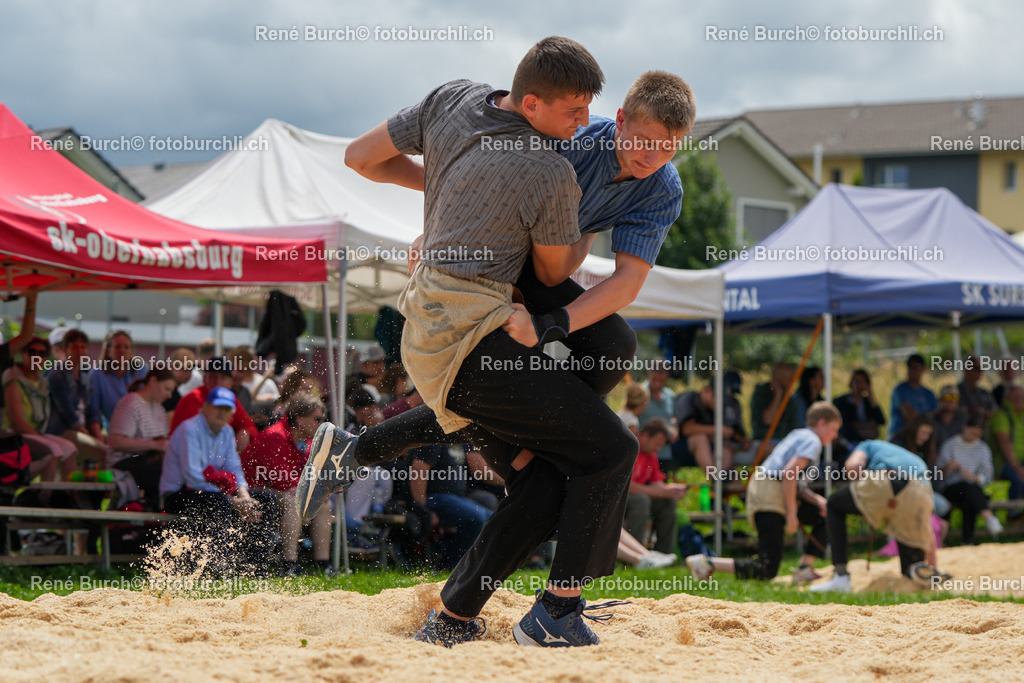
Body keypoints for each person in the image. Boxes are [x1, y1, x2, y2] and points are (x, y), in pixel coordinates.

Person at [303, 40, 695, 648]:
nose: (652, 156)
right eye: (643, 140)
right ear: (618, 120)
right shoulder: (562, 145)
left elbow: (622, 283)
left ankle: (454, 614)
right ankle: (556, 608)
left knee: (612, 346)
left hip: (524, 281)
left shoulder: (656, 184)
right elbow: (545, 256)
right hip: (498, 283)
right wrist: (446, 214)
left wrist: (550, 324)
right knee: (601, 448)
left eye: (668, 148)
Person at [686, 402, 840, 586]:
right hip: (769, 495)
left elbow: (793, 481)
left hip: (767, 489)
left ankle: (805, 568)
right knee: (767, 568)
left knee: (824, 515)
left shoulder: (799, 434)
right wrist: (792, 514)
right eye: (834, 429)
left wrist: (817, 500)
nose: (835, 435)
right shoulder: (812, 441)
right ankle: (706, 563)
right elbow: (789, 474)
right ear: (821, 423)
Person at [160, 387, 278, 575]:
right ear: (206, 407)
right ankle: (216, 566)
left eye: (226, 409)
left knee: (264, 499)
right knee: (219, 501)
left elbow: (235, 469)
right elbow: (193, 478)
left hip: (211, 493)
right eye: (218, 408)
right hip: (178, 494)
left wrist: (245, 498)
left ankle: (254, 567)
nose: (222, 413)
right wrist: (234, 502)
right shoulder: (188, 430)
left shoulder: (226, 432)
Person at [810, 440, 946, 592]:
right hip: (918, 495)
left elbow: (853, 466)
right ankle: (922, 575)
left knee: (834, 504)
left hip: (886, 480)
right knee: (912, 565)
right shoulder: (917, 462)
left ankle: (840, 577)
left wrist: (864, 501)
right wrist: (934, 567)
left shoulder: (867, 445)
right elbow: (927, 526)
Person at [241, 393, 330, 575]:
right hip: (252, 491)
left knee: (323, 505)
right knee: (294, 499)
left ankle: (323, 565)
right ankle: (289, 563)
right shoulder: (274, 436)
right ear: (300, 419)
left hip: (278, 490)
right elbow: (282, 480)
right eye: (318, 419)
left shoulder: (307, 442)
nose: (321, 424)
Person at [2, 337, 77, 480]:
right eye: (32, 352)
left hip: (34, 434)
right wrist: (41, 438)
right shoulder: (12, 378)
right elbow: (16, 422)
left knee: (70, 448)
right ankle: (43, 492)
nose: (37, 357)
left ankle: (67, 493)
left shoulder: (43, 382)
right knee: (53, 450)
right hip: (11, 437)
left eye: (42, 354)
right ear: (22, 354)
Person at [107, 369, 176, 507]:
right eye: (166, 389)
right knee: (163, 473)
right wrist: (155, 445)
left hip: (148, 462)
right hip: (123, 463)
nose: (169, 395)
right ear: (153, 381)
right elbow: (116, 442)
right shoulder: (130, 403)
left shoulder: (159, 409)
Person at [170, 356, 258, 455]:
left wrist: (245, 432)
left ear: (230, 382)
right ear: (204, 379)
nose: (217, 382)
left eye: (223, 378)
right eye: (212, 377)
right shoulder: (194, 399)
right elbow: (199, 440)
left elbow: (250, 427)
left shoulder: (230, 398)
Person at [624, 419, 687, 554]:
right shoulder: (630, 449)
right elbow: (629, 487)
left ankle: (665, 554)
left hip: (639, 496)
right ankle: (635, 553)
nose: (658, 449)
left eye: (660, 446)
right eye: (656, 444)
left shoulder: (651, 454)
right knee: (642, 500)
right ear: (645, 435)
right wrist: (662, 491)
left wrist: (670, 489)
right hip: (620, 498)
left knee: (668, 502)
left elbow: (656, 481)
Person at [44, 328, 107, 463]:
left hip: (82, 429)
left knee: (113, 447)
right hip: (61, 431)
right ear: (65, 350)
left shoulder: (86, 375)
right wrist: (88, 435)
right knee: (104, 452)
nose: (79, 351)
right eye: (75, 347)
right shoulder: (57, 375)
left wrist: (98, 435)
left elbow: (92, 411)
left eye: (83, 347)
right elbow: (68, 413)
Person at [937, 417, 1002, 544]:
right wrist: (948, 466)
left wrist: (974, 477)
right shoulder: (950, 445)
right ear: (964, 427)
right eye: (972, 433)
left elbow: (987, 476)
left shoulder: (983, 448)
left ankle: (966, 542)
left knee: (968, 497)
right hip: (951, 488)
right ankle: (988, 517)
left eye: (977, 435)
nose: (973, 437)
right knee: (967, 489)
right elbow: (937, 474)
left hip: (971, 489)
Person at [675, 382, 736, 477]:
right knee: (700, 438)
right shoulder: (689, 399)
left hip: (704, 451)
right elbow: (687, 429)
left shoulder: (714, 408)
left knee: (727, 448)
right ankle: (714, 477)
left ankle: (725, 480)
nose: (720, 403)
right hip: (677, 447)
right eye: (717, 398)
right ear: (707, 391)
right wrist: (717, 430)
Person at [91, 330, 148, 427]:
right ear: (108, 351)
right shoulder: (97, 375)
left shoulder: (143, 372)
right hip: (113, 430)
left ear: (132, 351)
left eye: (126, 347)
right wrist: (98, 435)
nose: (122, 350)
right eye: (117, 347)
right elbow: (93, 412)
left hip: (143, 428)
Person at [990, 385, 1024, 517]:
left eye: (1021, 397)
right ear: (1007, 399)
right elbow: (1004, 442)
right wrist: (1017, 467)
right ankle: (1013, 514)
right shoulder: (1001, 415)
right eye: (1014, 397)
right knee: (1018, 480)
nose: (1018, 400)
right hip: (1004, 463)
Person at [750, 362, 798, 448]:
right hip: (764, 440)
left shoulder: (789, 399)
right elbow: (768, 420)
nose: (792, 383)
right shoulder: (761, 394)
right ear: (779, 380)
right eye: (789, 379)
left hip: (785, 441)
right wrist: (778, 395)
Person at [888, 353, 937, 438]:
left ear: (923, 369)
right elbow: (909, 414)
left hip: (920, 439)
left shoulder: (929, 394)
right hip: (899, 436)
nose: (913, 371)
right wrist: (926, 416)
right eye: (910, 367)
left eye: (916, 368)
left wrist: (918, 418)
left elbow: (935, 417)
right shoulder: (900, 390)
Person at [833, 369, 886, 447]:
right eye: (857, 381)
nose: (859, 385)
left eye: (862, 382)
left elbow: (881, 421)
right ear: (851, 382)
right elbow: (843, 425)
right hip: (849, 441)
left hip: (868, 441)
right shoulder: (841, 401)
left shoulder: (868, 402)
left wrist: (871, 396)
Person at [640, 365, 677, 466]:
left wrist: (675, 429)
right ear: (649, 374)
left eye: (662, 380)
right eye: (655, 379)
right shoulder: (640, 393)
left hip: (664, 453)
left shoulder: (670, 395)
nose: (658, 383)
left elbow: (674, 418)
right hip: (643, 454)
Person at [958, 356, 997, 428]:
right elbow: (957, 412)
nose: (981, 371)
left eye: (982, 368)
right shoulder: (956, 392)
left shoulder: (985, 392)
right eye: (977, 368)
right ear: (966, 370)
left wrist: (979, 412)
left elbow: (995, 413)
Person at [931, 384, 966, 450]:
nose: (951, 401)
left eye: (955, 398)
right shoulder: (932, 419)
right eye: (947, 397)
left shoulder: (965, 420)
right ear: (940, 400)